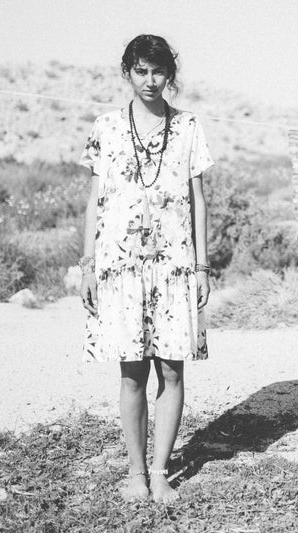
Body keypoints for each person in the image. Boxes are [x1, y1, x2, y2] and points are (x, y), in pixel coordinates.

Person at [78, 34, 213, 503]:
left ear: (169, 74)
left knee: (172, 371)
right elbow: (95, 201)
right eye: (141, 71)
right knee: (132, 372)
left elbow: (198, 200)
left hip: (175, 266)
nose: (150, 81)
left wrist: (202, 267)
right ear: (127, 72)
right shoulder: (107, 127)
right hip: (120, 267)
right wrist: (88, 266)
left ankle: (159, 472)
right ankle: (136, 473)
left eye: (158, 71)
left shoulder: (189, 126)